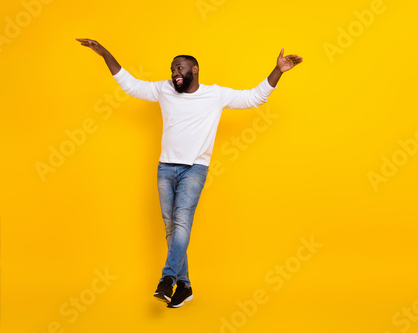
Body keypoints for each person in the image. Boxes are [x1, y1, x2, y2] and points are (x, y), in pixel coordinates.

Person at [76, 38, 303, 308]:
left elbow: (254, 98)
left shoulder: (215, 95)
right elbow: (132, 85)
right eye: (172, 68)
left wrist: (278, 70)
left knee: (181, 223)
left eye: (180, 68)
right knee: (171, 228)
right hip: (165, 167)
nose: (174, 73)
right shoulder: (164, 90)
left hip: (194, 168)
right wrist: (104, 53)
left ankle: (167, 279)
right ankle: (184, 286)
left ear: (194, 70)